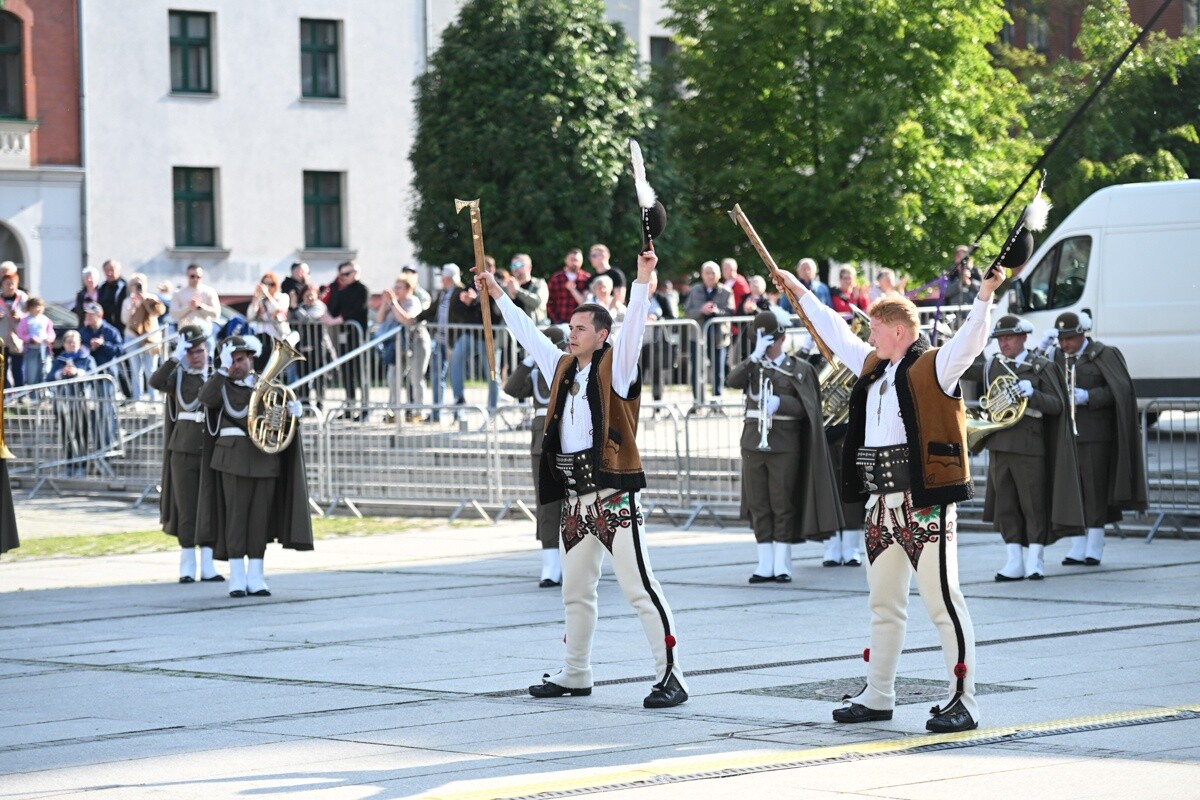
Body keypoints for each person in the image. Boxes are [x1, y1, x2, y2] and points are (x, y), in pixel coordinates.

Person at [775, 259, 1005, 733]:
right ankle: (878, 694)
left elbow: (971, 341)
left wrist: (984, 297)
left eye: (877, 329)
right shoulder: (875, 366)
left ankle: (965, 698)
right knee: (883, 605)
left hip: (925, 502)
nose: (870, 336)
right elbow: (834, 329)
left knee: (943, 601)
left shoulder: (934, 365)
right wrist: (797, 287)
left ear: (899, 331)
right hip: (882, 504)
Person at [477, 246, 689, 709]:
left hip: (614, 496)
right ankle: (576, 673)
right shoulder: (561, 368)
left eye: (579, 329)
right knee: (575, 592)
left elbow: (633, 329)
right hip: (576, 499)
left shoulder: (618, 367)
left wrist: (640, 282)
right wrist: (498, 294)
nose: (570, 335)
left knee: (639, 588)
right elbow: (527, 333)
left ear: (601, 334)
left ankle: (671, 675)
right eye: (570, 328)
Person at [962, 315, 1084, 582]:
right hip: (999, 444)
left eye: (1009, 338)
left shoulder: (1040, 367)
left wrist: (1034, 394)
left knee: (1033, 504)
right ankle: (1014, 559)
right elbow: (964, 370)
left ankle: (1035, 559)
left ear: (1023, 338)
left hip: (1030, 445)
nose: (1003, 343)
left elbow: (1057, 406)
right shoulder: (993, 365)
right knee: (1006, 504)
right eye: (1000, 339)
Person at [726, 309, 842, 583]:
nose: (769, 345)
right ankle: (764, 564)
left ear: (782, 339)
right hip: (754, 443)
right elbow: (732, 382)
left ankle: (782, 564)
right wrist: (753, 357)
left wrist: (783, 403)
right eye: (763, 340)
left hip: (784, 444)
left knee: (781, 503)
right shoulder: (754, 365)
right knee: (759, 504)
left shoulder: (799, 369)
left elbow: (809, 408)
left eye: (772, 340)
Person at [196, 335, 313, 597]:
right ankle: (236, 578)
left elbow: (276, 428)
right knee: (236, 519)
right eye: (231, 360)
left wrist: (292, 414)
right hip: (232, 460)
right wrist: (222, 370)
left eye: (240, 359)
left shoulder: (268, 387)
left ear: (251, 358)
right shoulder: (222, 385)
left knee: (259, 521)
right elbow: (205, 398)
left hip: (263, 460)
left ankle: (256, 577)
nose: (236, 365)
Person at [1050, 311, 1147, 566]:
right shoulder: (1059, 356)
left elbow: (1120, 390)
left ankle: (1094, 544)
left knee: (1094, 491)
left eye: (1069, 338)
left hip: (1096, 434)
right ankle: (1077, 544)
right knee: (1074, 490)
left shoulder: (1104, 354)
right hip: (1068, 435)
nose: (1065, 344)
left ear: (1082, 334)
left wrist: (1089, 397)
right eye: (1062, 339)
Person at [149, 325, 225, 584]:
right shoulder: (179, 377)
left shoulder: (215, 377)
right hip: (183, 449)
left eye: (200, 351)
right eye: (190, 352)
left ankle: (208, 566)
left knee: (209, 506)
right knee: (187, 507)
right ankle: (187, 567)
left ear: (208, 351)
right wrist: (173, 358)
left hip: (210, 451)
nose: (196, 356)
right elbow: (156, 382)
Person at [503, 324, 569, 588]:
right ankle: (551, 562)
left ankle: (577, 559)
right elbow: (511, 389)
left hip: (572, 434)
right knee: (547, 500)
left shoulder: (574, 365)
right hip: (543, 437)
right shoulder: (536, 371)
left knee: (578, 497)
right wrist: (530, 359)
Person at [449, 257, 501, 415]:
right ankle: (459, 399)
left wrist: (475, 301)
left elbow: (493, 309)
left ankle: (493, 408)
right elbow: (459, 310)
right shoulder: (471, 286)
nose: (486, 269)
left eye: (489, 267)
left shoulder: (498, 286)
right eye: (483, 266)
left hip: (490, 338)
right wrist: (466, 302)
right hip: (471, 334)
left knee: (492, 373)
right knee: (455, 359)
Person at [376, 272, 431, 421]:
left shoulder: (413, 301)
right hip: (398, 345)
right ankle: (394, 411)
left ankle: (419, 411)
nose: (396, 290)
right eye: (395, 287)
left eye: (399, 287)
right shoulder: (394, 302)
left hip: (417, 342)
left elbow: (408, 320)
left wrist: (393, 303)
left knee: (416, 378)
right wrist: (384, 303)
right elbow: (379, 319)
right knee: (392, 377)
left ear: (409, 289)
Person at [416, 264, 464, 422]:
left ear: (449, 278)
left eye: (443, 277)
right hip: (440, 340)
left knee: (455, 378)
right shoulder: (443, 293)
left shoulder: (460, 293)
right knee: (437, 377)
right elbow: (432, 310)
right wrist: (416, 319)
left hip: (454, 341)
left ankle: (459, 414)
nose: (442, 280)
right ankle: (436, 413)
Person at [322, 261, 370, 418]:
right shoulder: (341, 290)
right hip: (344, 337)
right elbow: (333, 308)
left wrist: (336, 320)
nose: (343, 277)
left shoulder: (362, 290)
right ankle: (349, 407)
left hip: (358, 337)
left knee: (359, 372)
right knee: (346, 372)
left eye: (346, 274)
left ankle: (364, 408)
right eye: (341, 274)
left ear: (356, 272)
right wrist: (335, 288)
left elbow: (356, 310)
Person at [49, 330, 98, 476]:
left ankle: (81, 466)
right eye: (69, 342)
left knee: (81, 434)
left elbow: (94, 375)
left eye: (74, 342)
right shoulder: (59, 360)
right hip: (63, 403)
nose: (71, 344)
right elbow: (49, 377)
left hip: (81, 402)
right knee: (66, 436)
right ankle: (69, 465)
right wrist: (61, 373)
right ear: (64, 344)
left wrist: (77, 373)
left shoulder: (87, 358)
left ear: (79, 343)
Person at [683, 261, 733, 401]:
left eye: (713, 273)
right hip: (697, 336)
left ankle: (717, 401)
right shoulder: (694, 290)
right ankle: (698, 400)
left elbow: (730, 313)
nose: (710, 276)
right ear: (702, 275)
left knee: (718, 370)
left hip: (718, 337)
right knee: (697, 369)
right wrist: (701, 310)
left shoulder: (727, 292)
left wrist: (716, 312)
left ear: (718, 275)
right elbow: (687, 312)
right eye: (707, 273)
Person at [79, 303, 123, 449]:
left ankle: (110, 441)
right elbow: (80, 351)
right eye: (87, 314)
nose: (88, 317)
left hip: (106, 376)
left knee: (108, 409)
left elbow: (119, 351)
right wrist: (89, 348)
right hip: (89, 376)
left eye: (91, 314)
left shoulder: (111, 331)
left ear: (99, 315)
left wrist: (103, 345)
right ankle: (101, 442)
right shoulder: (84, 332)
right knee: (95, 411)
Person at [120, 273, 167, 403]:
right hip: (132, 337)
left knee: (151, 369)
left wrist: (144, 301)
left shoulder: (152, 298)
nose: (137, 286)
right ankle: (137, 399)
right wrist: (133, 306)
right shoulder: (127, 301)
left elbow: (156, 313)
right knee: (136, 370)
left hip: (150, 338)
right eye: (135, 284)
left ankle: (154, 399)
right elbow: (125, 320)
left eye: (140, 283)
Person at [290, 284, 334, 408]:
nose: (309, 297)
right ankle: (305, 403)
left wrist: (295, 308)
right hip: (302, 346)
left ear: (316, 295)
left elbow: (308, 319)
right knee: (303, 375)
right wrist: (293, 308)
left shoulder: (320, 307)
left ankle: (320, 403)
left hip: (318, 346)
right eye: (306, 295)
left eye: (311, 295)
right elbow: (290, 318)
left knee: (319, 376)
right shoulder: (299, 308)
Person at [643, 270, 677, 403]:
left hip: (657, 342)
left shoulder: (662, 298)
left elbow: (672, 317)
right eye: (648, 279)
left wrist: (657, 318)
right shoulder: (636, 297)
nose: (650, 283)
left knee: (657, 374)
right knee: (636, 375)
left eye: (653, 280)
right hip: (639, 342)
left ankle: (657, 405)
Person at [16, 297, 55, 390]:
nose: (38, 309)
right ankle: (33, 396)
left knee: (45, 370)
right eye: (36, 306)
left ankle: (45, 393)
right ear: (30, 308)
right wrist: (30, 339)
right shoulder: (25, 320)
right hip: (31, 350)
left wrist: (49, 339)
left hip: (44, 350)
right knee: (31, 372)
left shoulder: (46, 320)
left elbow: (51, 333)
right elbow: (20, 333)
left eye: (40, 306)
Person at [169, 265, 221, 334]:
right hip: (185, 333)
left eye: (198, 277)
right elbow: (173, 314)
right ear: (187, 275)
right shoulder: (178, 293)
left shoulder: (210, 291)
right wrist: (189, 307)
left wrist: (199, 306)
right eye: (192, 276)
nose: (195, 279)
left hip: (205, 334)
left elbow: (216, 314)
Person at [546, 249, 590, 325]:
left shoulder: (586, 278)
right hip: (560, 322)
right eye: (572, 260)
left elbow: (589, 302)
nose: (574, 263)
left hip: (581, 322)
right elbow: (549, 301)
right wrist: (555, 319)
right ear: (566, 260)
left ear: (582, 261)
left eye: (577, 260)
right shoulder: (556, 278)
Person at [0, 267, 27, 390]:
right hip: (2, 338)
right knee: (2, 367)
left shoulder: (22, 297)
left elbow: (30, 315)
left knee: (18, 367)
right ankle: (4, 392)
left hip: (17, 338)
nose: (10, 287)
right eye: (7, 284)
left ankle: (19, 392)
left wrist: (20, 317)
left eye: (13, 284)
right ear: (2, 284)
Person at [505, 253, 548, 324]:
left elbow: (536, 303)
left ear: (529, 267)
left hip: (532, 331)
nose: (515, 268)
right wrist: (508, 296)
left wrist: (518, 291)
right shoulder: (508, 285)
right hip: (510, 332)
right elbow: (497, 311)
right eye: (513, 266)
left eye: (518, 265)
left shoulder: (540, 284)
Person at [247, 272, 292, 340]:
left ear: (276, 285)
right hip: (262, 336)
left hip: (278, 335)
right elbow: (250, 316)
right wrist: (256, 298)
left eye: (271, 284)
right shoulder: (260, 299)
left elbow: (278, 310)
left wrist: (267, 295)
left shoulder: (283, 297)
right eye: (264, 284)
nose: (267, 287)